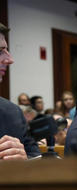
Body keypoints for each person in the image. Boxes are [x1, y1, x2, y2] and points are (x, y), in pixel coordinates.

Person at [0, 23, 40, 160]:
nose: (9, 60)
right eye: (0, 51)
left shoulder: (13, 112)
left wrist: (24, 160)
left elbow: (34, 156)